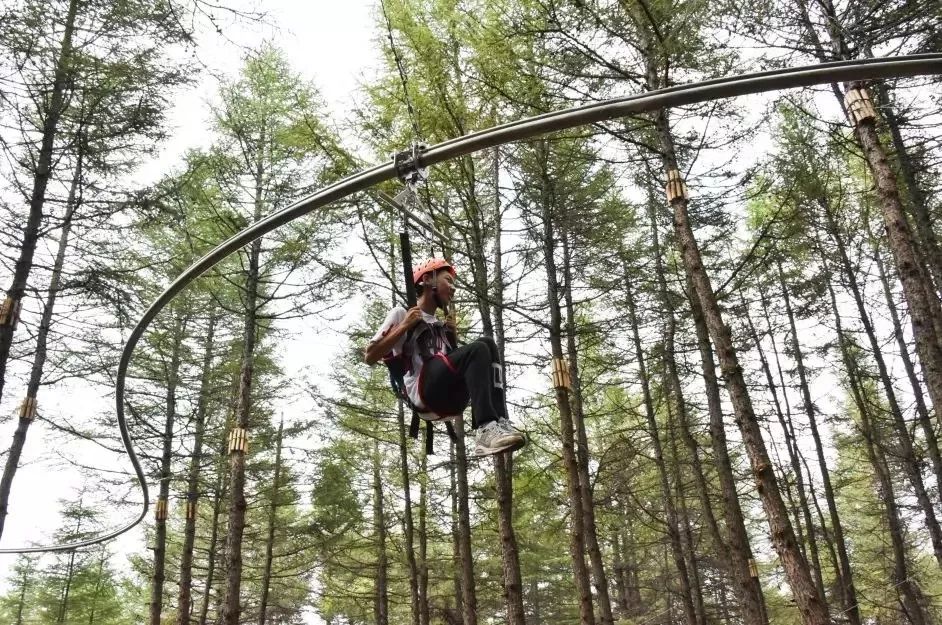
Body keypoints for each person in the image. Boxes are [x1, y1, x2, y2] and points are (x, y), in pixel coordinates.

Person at [364, 258, 526, 456]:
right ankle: (484, 428)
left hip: (449, 400)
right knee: (477, 349)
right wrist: (405, 326)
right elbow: (370, 356)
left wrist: (452, 340)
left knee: (487, 344)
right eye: (448, 280)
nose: (453, 288)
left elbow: (454, 367)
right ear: (427, 280)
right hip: (424, 393)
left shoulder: (441, 327)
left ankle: (498, 422)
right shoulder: (402, 314)